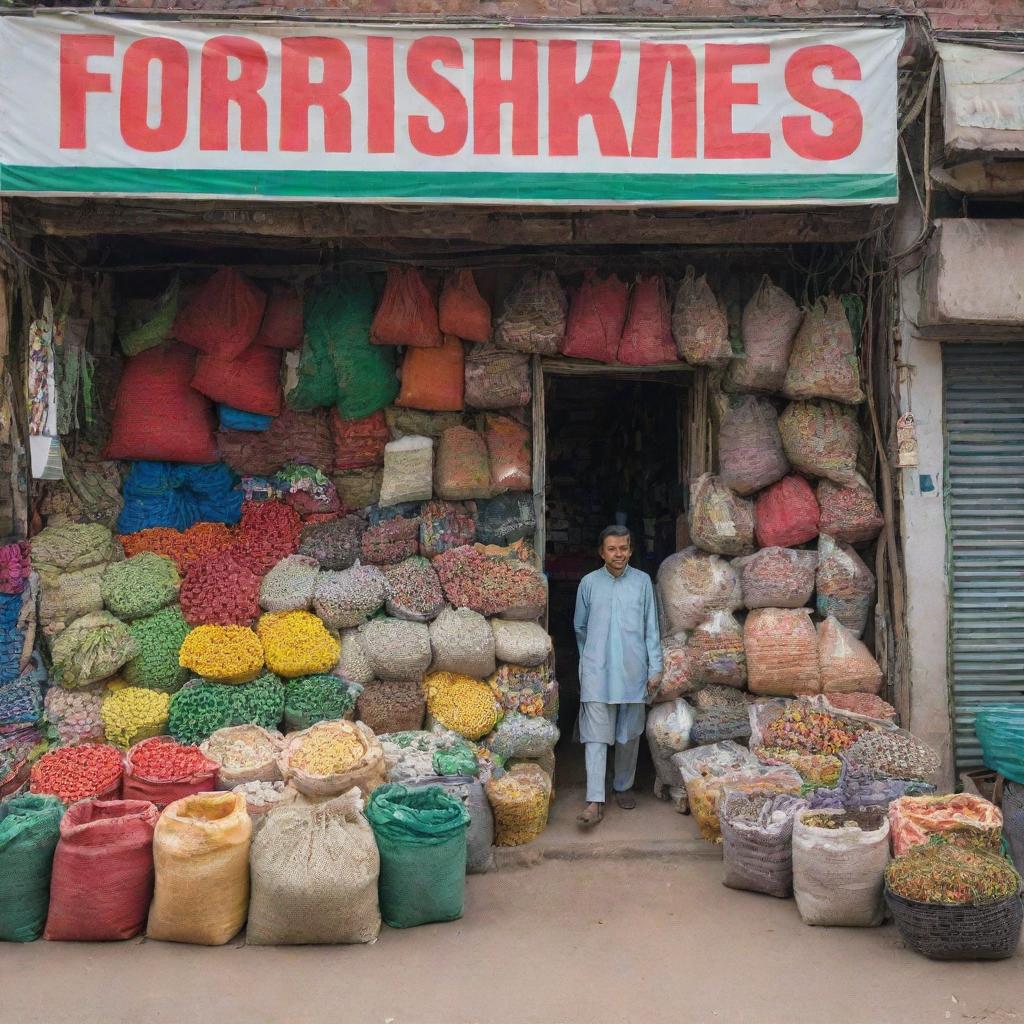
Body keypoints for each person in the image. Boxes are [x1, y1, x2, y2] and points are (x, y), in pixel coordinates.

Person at [573, 525, 662, 827]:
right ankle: (595, 799)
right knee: (595, 737)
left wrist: (655, 667)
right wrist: (589, 661)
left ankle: (623, 786)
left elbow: (652, 628)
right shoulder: (588, 583)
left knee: (629, 735)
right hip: (598, 672)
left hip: (633, 672)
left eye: (623, 548)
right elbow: (580, 628)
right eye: (612, 549)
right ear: (602, 552)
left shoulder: (642, 582)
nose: (618, 554)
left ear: (630, 550)